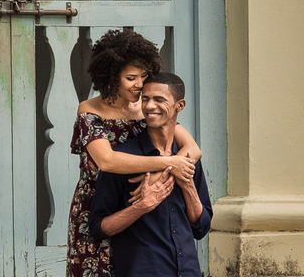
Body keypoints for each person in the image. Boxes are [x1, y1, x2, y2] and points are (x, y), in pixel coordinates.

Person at [67, 30, 201, 277]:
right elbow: (107, 161)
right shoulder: (90, 111)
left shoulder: (146, 108)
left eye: (143, 76)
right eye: (130, 78)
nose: (139, 84)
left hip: (135, 199)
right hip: (97, 205)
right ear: (111, 75)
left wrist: (163, 173)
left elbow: (193, 149)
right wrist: (168, 162)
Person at [87, 73, 212, 277]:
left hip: (188, 271)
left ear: (180, 106)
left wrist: (188, 185)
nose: (149, 106)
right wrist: (141, 206)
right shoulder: (123, 160)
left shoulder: (187, 158)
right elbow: (98, 227)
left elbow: (201, 228)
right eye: (145, 99)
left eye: (159, 99)